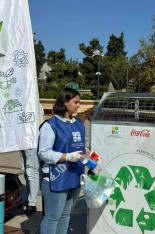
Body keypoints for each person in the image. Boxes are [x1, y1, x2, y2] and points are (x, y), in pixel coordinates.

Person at [37, 88, 95, 234]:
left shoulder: (79, 124)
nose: (78, 105)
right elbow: (43, 153)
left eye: (79, 102)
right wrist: (66, 157)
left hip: (74, 175)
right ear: (64, 102)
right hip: (56, 177)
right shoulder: (50, 125)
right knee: (52, 217)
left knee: (65, 215)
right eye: (75, 102)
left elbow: (80, 148)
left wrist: (91, 154)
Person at [20, 103, 44, 216]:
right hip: (21, 140)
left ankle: (32, 203)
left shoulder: (35, 104)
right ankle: (28, 197)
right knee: (25, 170)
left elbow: (39, 124)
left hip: (32, 141)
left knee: (31, 171)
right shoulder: (20, 103)